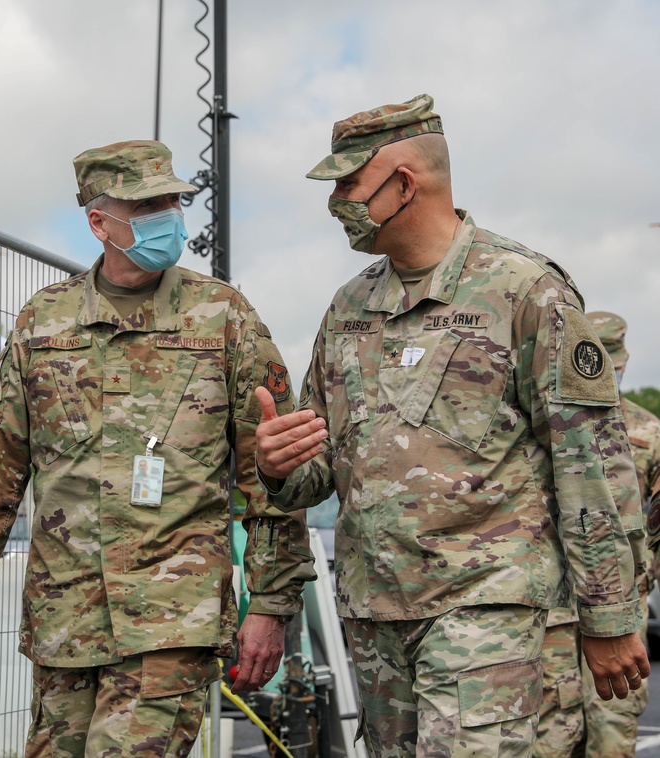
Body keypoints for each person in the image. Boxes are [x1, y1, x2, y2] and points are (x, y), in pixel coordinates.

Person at [253, 94, 649, 757]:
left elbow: (591, 463)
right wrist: (278, 466)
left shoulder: (525, 292)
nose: (337, 201)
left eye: (349, 183)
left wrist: (608, 615)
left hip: (483, 608)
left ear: (404, 184)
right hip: (375, 613)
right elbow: (318, 474)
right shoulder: (349, 308)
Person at [0, 140, 316, 757]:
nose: (167, 214)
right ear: (99, 223)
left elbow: (272, 471)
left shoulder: (223, 316)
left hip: (171, 619)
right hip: (65, 618)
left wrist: (270, 603)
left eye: (171, 200)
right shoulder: (43, 322)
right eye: (146, 205)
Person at [535, 311, 660, 757]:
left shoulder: (542, 424)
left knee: (555, 727)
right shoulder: (647, 430)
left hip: (552, 605)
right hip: (593, 604)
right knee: (591, 726)